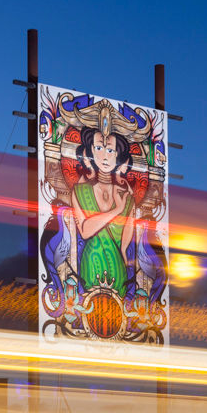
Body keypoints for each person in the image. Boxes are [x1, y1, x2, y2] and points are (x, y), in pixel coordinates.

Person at [65, 121, 137, 296]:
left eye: (110, 150)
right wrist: (116, 210)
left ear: (120, 158)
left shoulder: (128, 198)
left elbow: (127, 233)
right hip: (92, 262)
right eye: (98, 148)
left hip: (118, 266)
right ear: (88, 153)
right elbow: (85, 231)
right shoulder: (80, 191)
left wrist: (123, 254)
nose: (104, 156)